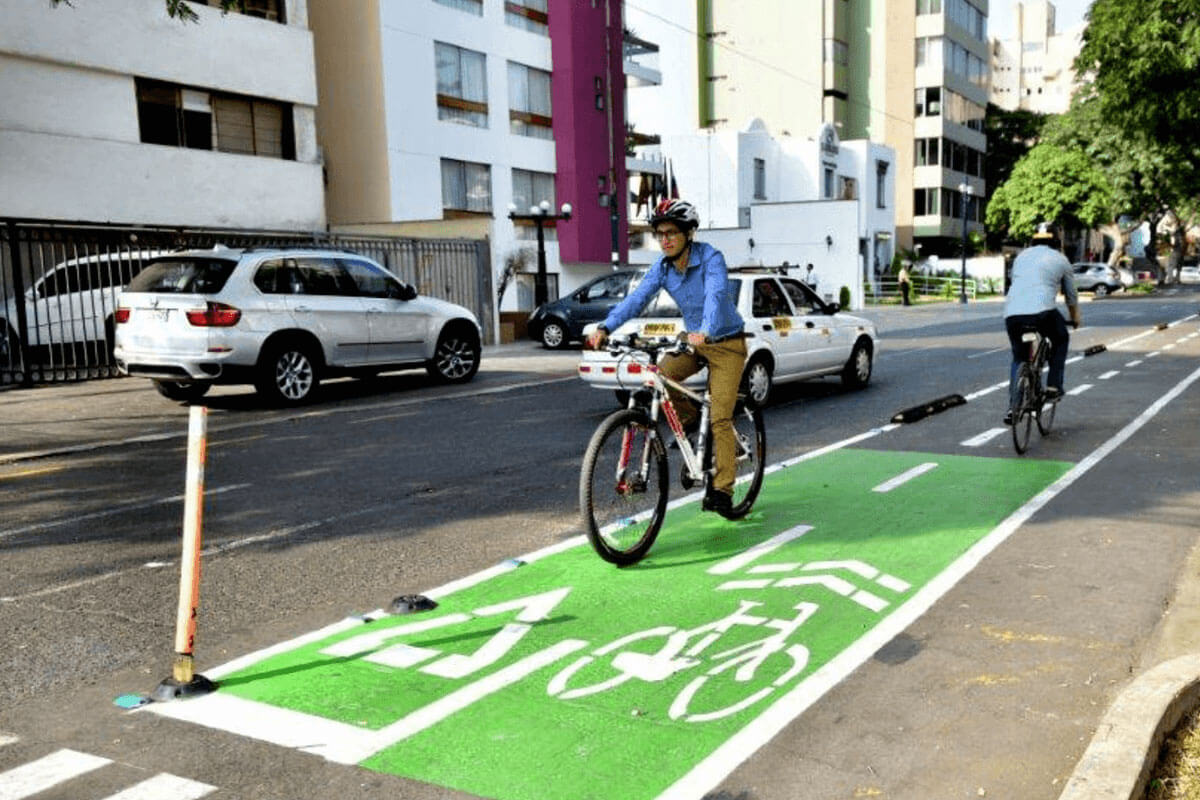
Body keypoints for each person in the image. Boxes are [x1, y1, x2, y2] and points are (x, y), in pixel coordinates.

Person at [587, 199, 746, 516]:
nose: (665, 240)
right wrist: (606, 327)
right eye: (659, 234)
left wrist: (706, 330)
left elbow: (716, 294)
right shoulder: (662, 267)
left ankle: (723, 490)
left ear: (689, 233)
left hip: (726, 343)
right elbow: (637, 299)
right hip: (694, 343)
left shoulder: (711, 257)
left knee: (720, 417)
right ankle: (689, 424)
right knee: (660, 375)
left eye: (672, 232)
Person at [1003, 222, 1081, 425]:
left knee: (1019, 357)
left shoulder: (1020, 257)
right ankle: (1054, 385)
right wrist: (1076, 317)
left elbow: (1014, 281)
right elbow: (1071, 296)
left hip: (1012, 314)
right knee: (1061, 337)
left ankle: (1014, 406)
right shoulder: (1061, 260)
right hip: (1043, 313)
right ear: (1056, 240)